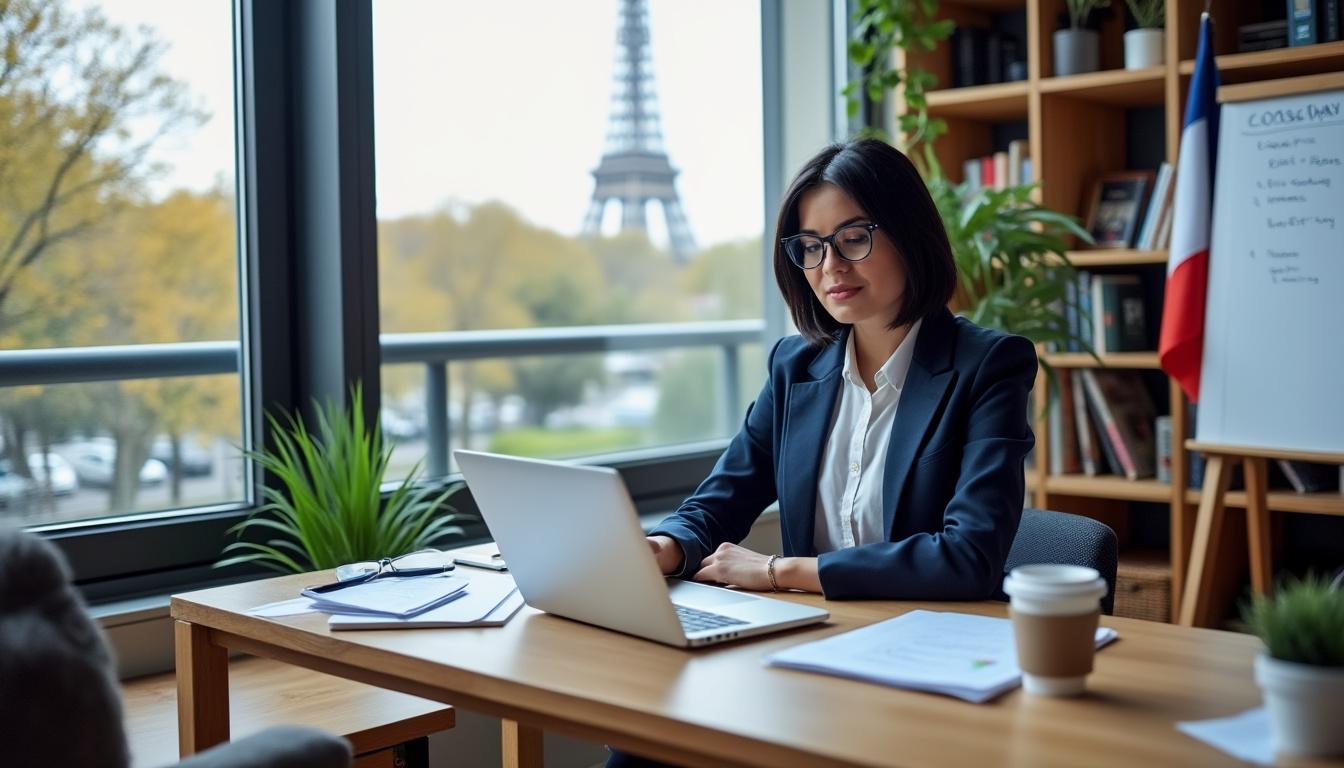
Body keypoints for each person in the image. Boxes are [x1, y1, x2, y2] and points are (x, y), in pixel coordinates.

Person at [605, 137, 1036, 767]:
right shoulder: (795, 365)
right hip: (811, 649)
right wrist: (663, 547)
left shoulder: (987, 365)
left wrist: (781, 571)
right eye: (811, 246)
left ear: (910, 234)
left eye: (854, 237)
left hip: (923, 664)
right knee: (645, 740)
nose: (830, 265)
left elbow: (968, 556)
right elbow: (722, 499)